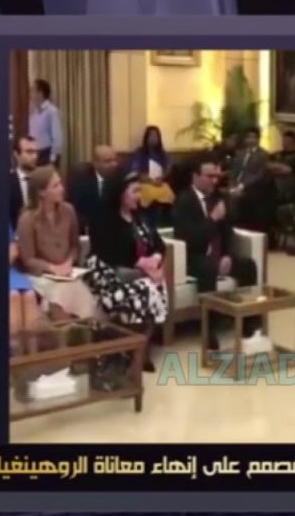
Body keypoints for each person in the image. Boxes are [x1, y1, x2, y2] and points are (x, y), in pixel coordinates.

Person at [172, 156, 260, 350]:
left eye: (216, 176)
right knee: (207, 267)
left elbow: (227, 233)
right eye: (209, 176)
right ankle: (208, 329)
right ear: (195, 177)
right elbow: (190, 239)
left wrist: (227, 255)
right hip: (193, 257)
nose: (214, 180)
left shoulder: (217, 198)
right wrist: (212, 219)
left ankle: (249, 322)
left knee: (248, 265)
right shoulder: (184, 201)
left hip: (218, 256)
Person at [84, 169, 169, 331]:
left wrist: (156, 259)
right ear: (120, 194)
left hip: (138, 271)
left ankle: (142, 341)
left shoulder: (139, 215)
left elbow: (159, 244)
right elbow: (109, 253)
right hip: (107, 270)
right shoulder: (103, 218)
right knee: (145, 288)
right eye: (135, 191)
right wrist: (142, 265)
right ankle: (132, 340)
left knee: (153, 285)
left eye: (140, 191)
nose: (139, 196)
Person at [16, 166, 98, 320]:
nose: (62, 189)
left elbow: (75, 246)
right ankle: (63, 332)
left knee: (81, 295)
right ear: (41, 192)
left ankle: (83, 331)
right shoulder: (27, 219)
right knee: (59, 299)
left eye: (60, 184)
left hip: (67, 273)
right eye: (55, 186)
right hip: (41, 276)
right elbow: (28, 259)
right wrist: (53, 268)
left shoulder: (69, 211)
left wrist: (68, 263)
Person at [228, 126, 272, 233]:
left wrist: (241, 186)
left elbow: (259, 176)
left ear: (258, 139)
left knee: (242, 200)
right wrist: (232, 187)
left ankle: (241, 230)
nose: (251, 140)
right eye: (249, 137)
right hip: (235, 186)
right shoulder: (239, 153)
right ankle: (228, 231)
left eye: (254, 137)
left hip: (251, 188)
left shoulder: (263, 155)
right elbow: (233, 172)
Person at [68, 145, 119, 235]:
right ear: (95, 164)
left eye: (115, 160)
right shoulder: (81, 181)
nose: (114, 164)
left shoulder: (121, 178)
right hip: (89, 229)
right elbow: (76, 210)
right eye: (108, 161)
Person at [132, 126, 176, 227]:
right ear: (146, 138)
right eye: (151, 136)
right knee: (148, 192)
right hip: (144, 182)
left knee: (167, 191)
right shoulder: (140, 152)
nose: (153, 138)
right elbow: (135, 171)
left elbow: (167, 168)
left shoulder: (162, 153)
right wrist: (148, 179)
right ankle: (147, 223)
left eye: (156, 136)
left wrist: (162, 177)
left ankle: (161, 223)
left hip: (158, 182)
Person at [9, 224, 41, 334]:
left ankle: (33, 343)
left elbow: (13, 248)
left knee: (29, 295)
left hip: (9, 269)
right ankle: (15, 344)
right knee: (13, 296)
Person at [28, 79, 64, 167]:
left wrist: (52, 160)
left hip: (46, 156)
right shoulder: (34, 113)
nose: (30, 94)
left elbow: (57, 138)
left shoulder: (52, 111)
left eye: (32, 90)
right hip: (34, 156)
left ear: (40, 93)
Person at [269, 130, 295, 205]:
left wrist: (276, 167)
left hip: (287, 189)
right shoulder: (275, 155)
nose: (285, 143)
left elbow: (289, 171)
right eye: (284, 141)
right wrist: (281, 167)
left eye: (288, 141)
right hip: (272, 186)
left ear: (294, 143)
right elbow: (267, 165)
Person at [9, 136, 39, 229]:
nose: (35, 156)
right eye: (29, 152)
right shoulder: (6, 184)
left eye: (36, 152)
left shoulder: (44, 181)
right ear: (16, 154)